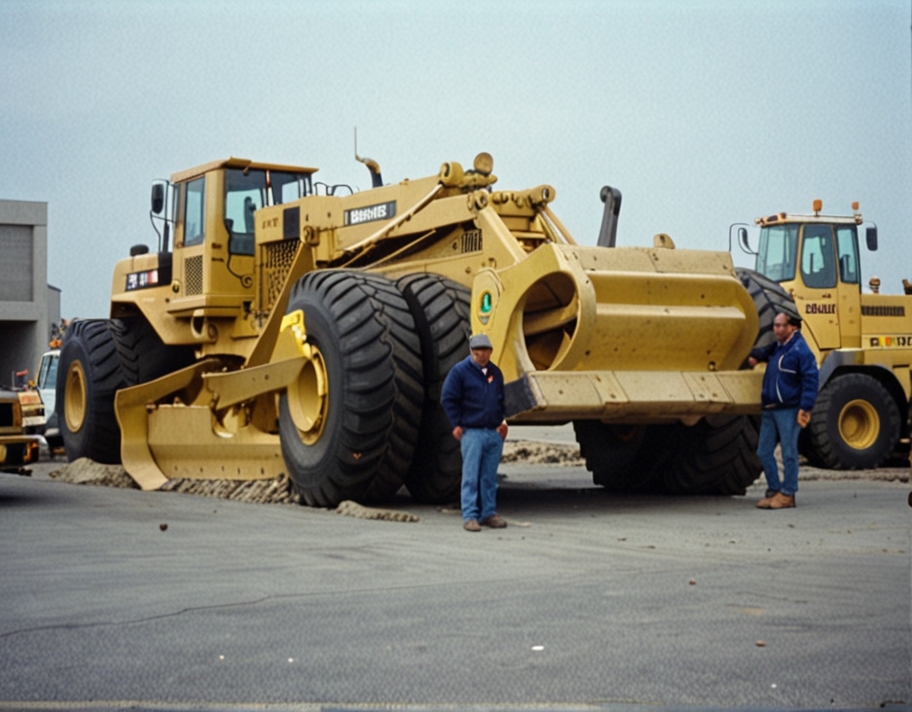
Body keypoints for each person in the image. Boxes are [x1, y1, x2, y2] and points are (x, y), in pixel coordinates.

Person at [748, 312, 819, 509]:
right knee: (763, 451)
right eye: (775, 326)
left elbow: (811, 380)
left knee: (789, 452)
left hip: (789, 409)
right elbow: (764, 352)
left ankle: (788, 494)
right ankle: (774, 490)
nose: (777, 329)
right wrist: (753, 356)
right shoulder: (778, 348)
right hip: (770, 408)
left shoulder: (800, 350)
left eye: (781, 326)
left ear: (792, 327)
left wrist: (805, 407)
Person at [441, 333, 509, 532]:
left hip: (493, 433)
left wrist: (502, 423)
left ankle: (488, 513)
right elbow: (447, 398)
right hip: (472, 432)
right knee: (471, 475)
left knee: (489, 476)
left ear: (490, 352)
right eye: (478, 351)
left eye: (485, 351)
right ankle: (470, 515)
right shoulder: (460, 372)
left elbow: (502, 399)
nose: (482, 355)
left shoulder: (495, 373)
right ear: (472, 351)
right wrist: (456, 424)